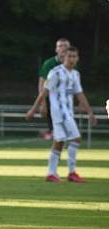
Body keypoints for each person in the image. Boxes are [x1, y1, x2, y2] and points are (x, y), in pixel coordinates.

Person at [26, 46, 97, 183]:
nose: (71, 59)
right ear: (64, 57)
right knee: (76, 138)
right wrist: (34, 109)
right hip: (60, 112)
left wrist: (90, 112)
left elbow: (80, 94)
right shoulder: (55, 72)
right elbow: (44, 92)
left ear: (77, 58)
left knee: (59, 142)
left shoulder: (75, 74)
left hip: (68, 112)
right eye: (68, 56)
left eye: (73, 56)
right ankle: (71, 172)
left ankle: (51, 173)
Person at [37, 38, 70, 140]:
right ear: (56, 49)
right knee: (57, 126)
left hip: (66, 99)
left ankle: (50, 136)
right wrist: (42, 103)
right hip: (52, 98)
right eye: (60, 46)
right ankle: (51, 136)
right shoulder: (49, 64)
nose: (63, 48)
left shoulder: (73, 64)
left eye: (65, 46)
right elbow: (42, 83)